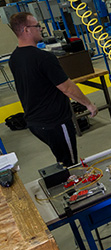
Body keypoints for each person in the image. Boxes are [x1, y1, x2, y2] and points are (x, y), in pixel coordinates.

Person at [8, 12, 98, 167]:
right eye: (37, 26)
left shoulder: (15, 58)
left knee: (61, 159)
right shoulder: (43, 58)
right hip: (55, 123)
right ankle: (72, 189)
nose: (41, 28)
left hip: (35, 123)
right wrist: (89, 104)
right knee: (70, 165)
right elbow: (67, 88)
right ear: (26, 30)